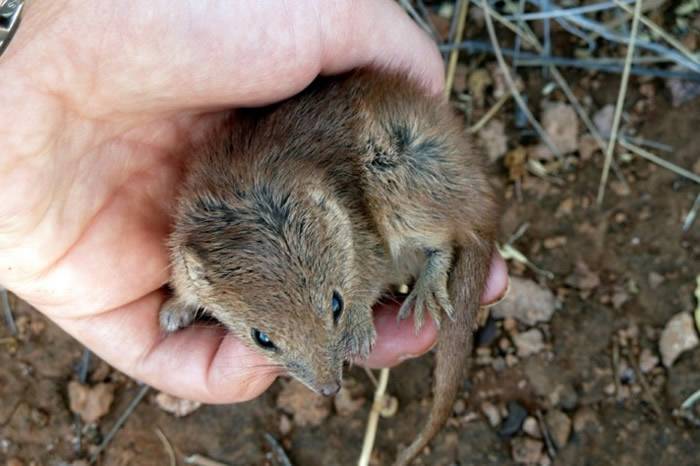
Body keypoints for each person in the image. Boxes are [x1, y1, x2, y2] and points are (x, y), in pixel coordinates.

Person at [0, 0, 508, 403]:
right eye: (266, 342)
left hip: (391, 151)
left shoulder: (322, 219)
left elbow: (365, 248)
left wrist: (351, 307)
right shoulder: (197, 267)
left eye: (329, 304)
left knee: (403, 193)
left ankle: (442, 249)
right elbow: (190, 278)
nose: (325, 383)